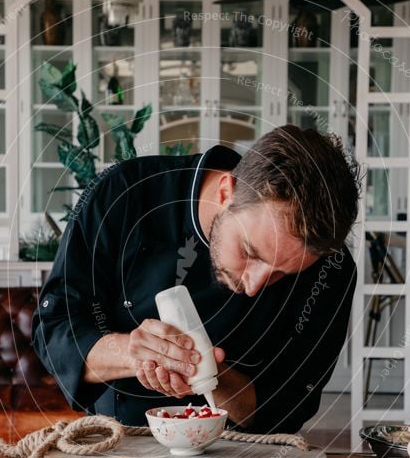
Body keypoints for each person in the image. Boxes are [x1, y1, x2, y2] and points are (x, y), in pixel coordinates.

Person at [31, 124, 361, 433]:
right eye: (250, 252)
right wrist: (133, 352)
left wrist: (210, 376)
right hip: (120, 448)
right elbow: (56, 329)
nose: (255, 284)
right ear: (225, 192)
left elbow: (290, 405)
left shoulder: (332, 271)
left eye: (284, 273)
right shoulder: (124, 193)